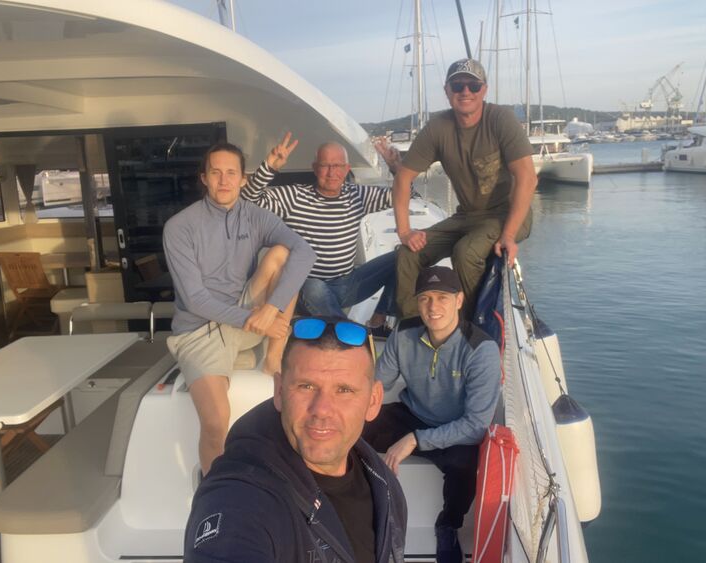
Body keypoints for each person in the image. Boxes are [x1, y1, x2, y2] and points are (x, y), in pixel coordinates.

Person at [184, 317, 407, 563]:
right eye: (306, 386)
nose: (322, 409)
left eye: (344, 390)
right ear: (279, 391)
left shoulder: (383, 484)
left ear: (374, 401)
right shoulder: (238, 499)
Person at [163, 142, 317, 473]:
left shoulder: (254, 216)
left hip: (246, 316)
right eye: (215, 173)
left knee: (282, 254)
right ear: (204, 178)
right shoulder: (179, 226)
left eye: (231, 173)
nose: (224, 180)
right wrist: (254, 318)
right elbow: (195, 300)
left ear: (243, 179)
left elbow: (305, 251)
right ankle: (215, 492)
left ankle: (274, 356)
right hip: (199, 331)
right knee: (216, 422)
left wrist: (271, 309)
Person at [363, 265, 501, 563]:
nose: (433, 307)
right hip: (411, 413)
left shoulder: (481, 350)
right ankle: (356, 502)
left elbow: (476, 425)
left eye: (442, 298)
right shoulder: (404, 332)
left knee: (465, 465)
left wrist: (415, 439)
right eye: (425, 298)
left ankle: (448, 526)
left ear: (459, 300)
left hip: (456, 428)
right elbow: (377, 384)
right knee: (352, 427)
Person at [390, 58, 537, 319]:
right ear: (447, 91)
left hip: (509, 213)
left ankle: (471, 324)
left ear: (484, 90)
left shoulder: (500, 119)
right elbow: (403, 178)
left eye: (473, 85)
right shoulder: (438, 128)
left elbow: (527, 178)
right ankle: (414, 325)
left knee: (466, 253)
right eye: (458, 85)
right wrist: (404, 231)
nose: (465, 91)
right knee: (408, 254)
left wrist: (509, 235)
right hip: (467, 216)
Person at [242, 134, 401, 326]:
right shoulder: (295, 196)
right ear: (315, 168)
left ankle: (381, 316)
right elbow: (248, 201)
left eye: (338, 166)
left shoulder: (359, 195)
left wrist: (396, 168)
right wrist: (269, 167)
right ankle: (346, 331)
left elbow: (407, 195)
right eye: (325, 165)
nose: (331, 172)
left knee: (403, 256)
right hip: (306, 287)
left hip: (346, 284)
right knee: (313, 286)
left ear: (347, 169)